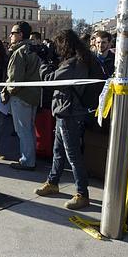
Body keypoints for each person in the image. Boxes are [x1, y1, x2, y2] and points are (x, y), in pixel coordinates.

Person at [35, 30, 104, 209]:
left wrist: (43, 62)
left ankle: (82, 193)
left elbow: (51, 80)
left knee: (73, 155)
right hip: (67, 112)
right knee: (58, 151)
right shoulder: (80, 59)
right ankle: (53, 182)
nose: (57, 50)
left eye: (58, 46)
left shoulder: (74, 63)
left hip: (70, 113)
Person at [3, 21, 42, 170]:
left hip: (21, 96)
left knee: (23, 130)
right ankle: (29, 158)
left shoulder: (19, 52)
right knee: (29, 128)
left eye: (13, 33)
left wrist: (7, 91)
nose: (10, 36)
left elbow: (14, 79)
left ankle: (27, 161)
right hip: (33, 95)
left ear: (20, 34)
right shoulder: (33, 49)